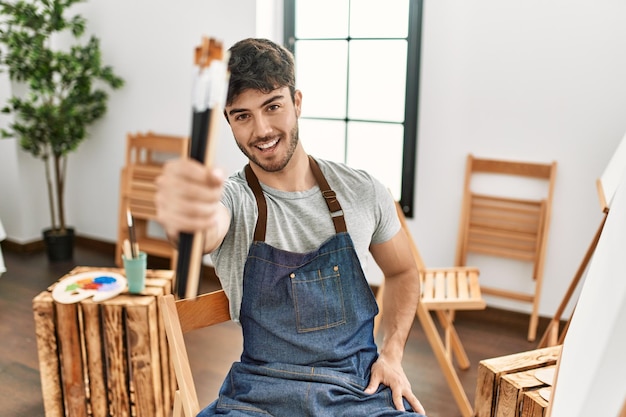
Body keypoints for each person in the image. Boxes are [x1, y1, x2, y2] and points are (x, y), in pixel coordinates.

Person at [155, 38, 426, 416]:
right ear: (228, 121)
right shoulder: (233, 199)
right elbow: (205, 227)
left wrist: (392, 354)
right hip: (257, 397)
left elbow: (404, 271)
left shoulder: (363, 190)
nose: (261, 129)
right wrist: (185, 215)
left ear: (297, 102)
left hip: (358, 389)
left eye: (273, 107)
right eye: (242, 115)